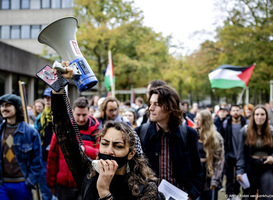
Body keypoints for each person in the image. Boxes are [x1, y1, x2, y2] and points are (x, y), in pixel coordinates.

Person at [135, 85, 203, 200]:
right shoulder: (141, 132)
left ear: (170, 107)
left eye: (156, 104)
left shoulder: (188, 134)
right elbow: (134, 171)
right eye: (150, 103)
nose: (150, 108)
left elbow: (197, 171)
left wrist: (191, 195)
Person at [47, 97, 100, 200]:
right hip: (64, 185)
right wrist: (51, 183)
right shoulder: (62, 129)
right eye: (78, 115)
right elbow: (52, 158)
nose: (81, 119)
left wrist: (85, 150)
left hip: (86, 184)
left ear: (89, 112)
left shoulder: (96, 131)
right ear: (72, 112)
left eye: (84, 115)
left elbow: (100, 154)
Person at [0, 94, 42, 200]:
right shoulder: (0, 131)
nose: (4, 108)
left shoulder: (30, 132)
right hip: (2, 184)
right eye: (2, 105)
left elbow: (37, 161)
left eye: (7, 105)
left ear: (17, 108)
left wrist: (30, 182)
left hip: (22, 184)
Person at [237, 105, 273, 199]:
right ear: (253, 116)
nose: (260, 117)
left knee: (266, 196)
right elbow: (241, 154)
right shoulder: (245, 131)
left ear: (266, 116)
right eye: (257, 114)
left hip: (267, 167)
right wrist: (240, 171)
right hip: (251, 167)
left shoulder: (271, 131)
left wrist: (272, 157)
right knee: (248, 195)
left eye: (262, 114)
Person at [194, 110, 224, 200]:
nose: (196, 121)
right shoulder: (192, 134)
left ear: (206, 121)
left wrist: (215, 180)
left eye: (199, 119)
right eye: (196, 119)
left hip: (208, 173)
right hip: (195, 173)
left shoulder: (216, 137)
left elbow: (219, 161)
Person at [221, 105, 247, 200]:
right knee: (229, 176)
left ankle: (236, 193)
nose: (235, 112)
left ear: (240, 111)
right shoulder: (226, 123)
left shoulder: (246, 123)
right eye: (233, 110)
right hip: (230, 154)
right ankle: (229, 195)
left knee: (239, 176)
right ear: (230, 112)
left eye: (237, 110)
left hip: (242, 154)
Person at [35, 87, 55, 200]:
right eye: (46, 98)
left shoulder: (61, 115)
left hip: (56, 156)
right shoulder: (40, 117)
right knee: (45, 190)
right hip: (43, 157)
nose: (47, 100)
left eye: (50, 97)